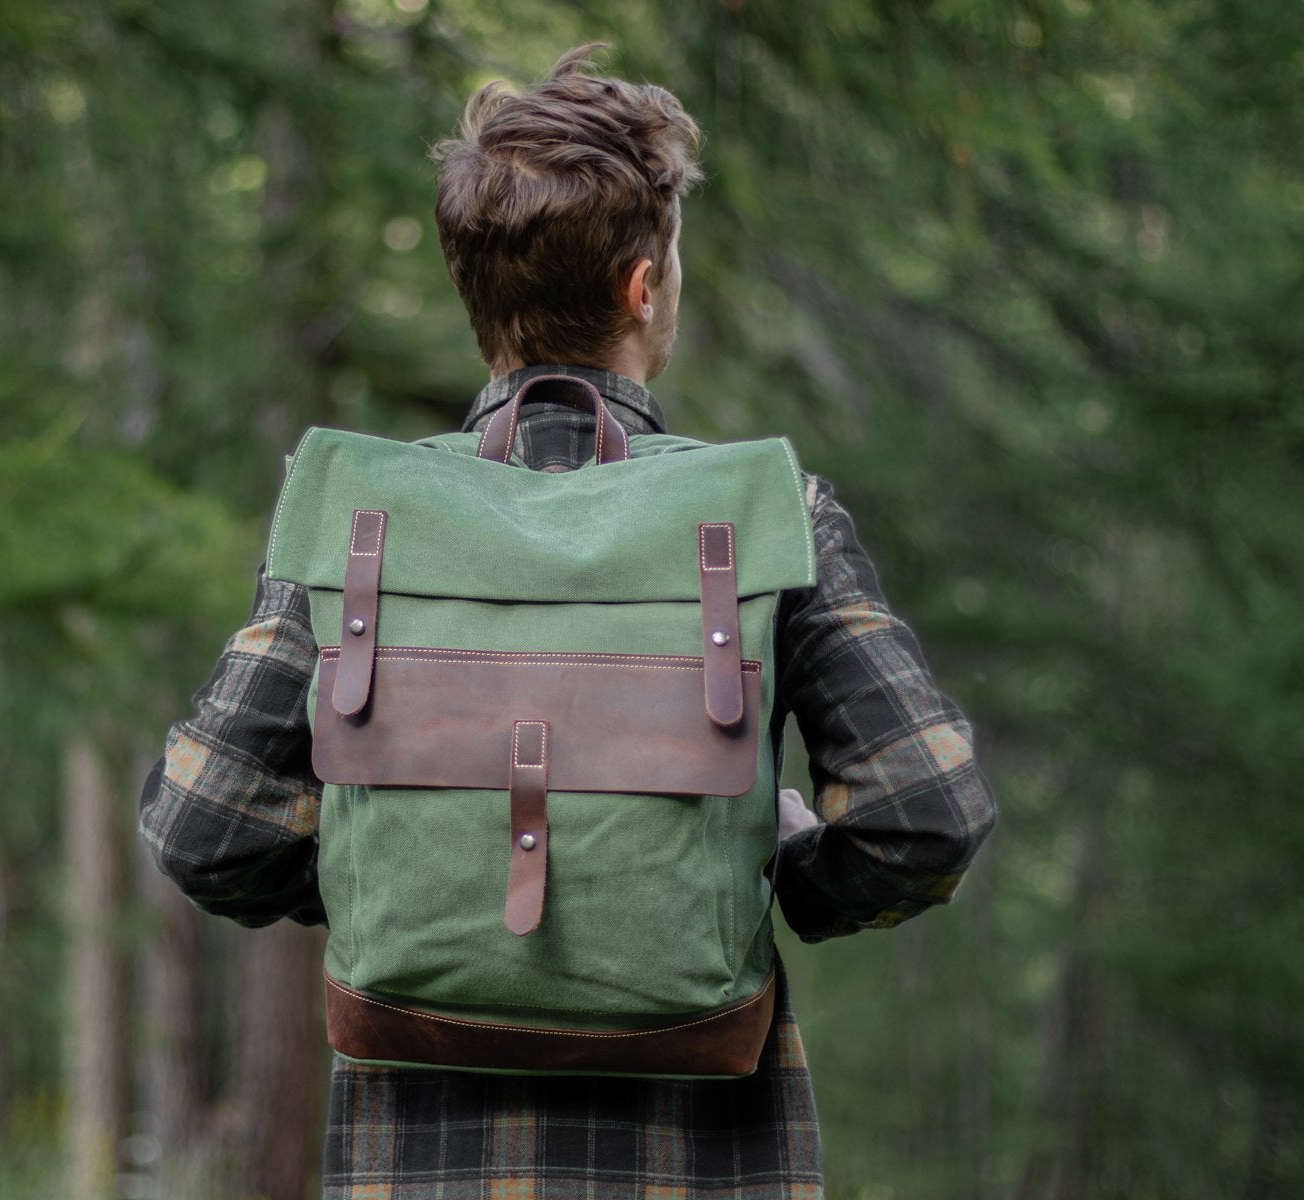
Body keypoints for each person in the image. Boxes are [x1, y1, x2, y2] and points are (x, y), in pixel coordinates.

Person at [139, 44, 997, 1198]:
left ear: (474, 293)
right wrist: (770, 866)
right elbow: (928, 809)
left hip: (417, 1166)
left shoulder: (362, 521)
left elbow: (202, 828)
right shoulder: (767, 515)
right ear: (645, 286)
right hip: (701, 1158)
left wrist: (397, 856)